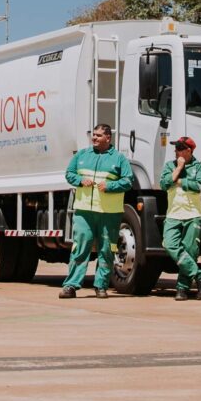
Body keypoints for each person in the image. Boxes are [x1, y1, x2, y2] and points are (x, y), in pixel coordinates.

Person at [60, 124, 133, 298]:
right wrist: (79, 180)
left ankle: (101, 286)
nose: (94, 138)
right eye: (93, 135)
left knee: (106, 250)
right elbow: (69, 173)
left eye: (99, 135)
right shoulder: (82, 155)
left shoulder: (119, 158)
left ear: (108, 137)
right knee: (80, 248)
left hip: (109, 213)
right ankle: (71, 286)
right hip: (84, 211)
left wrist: (110, 186)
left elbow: (128, 181)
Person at [162, 135, 201, 299]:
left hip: (192, 214)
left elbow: (197, 186)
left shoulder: (200, 167)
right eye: (176, 148)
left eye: (180, 148)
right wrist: (177, 169)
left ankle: (182, 289)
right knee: (169, 244)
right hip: (173, 214)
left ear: (189, 150)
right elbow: (164, 183)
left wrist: (180, 181)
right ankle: (200, 275)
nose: (176, 151)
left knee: (189, 251)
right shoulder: (170, 165)